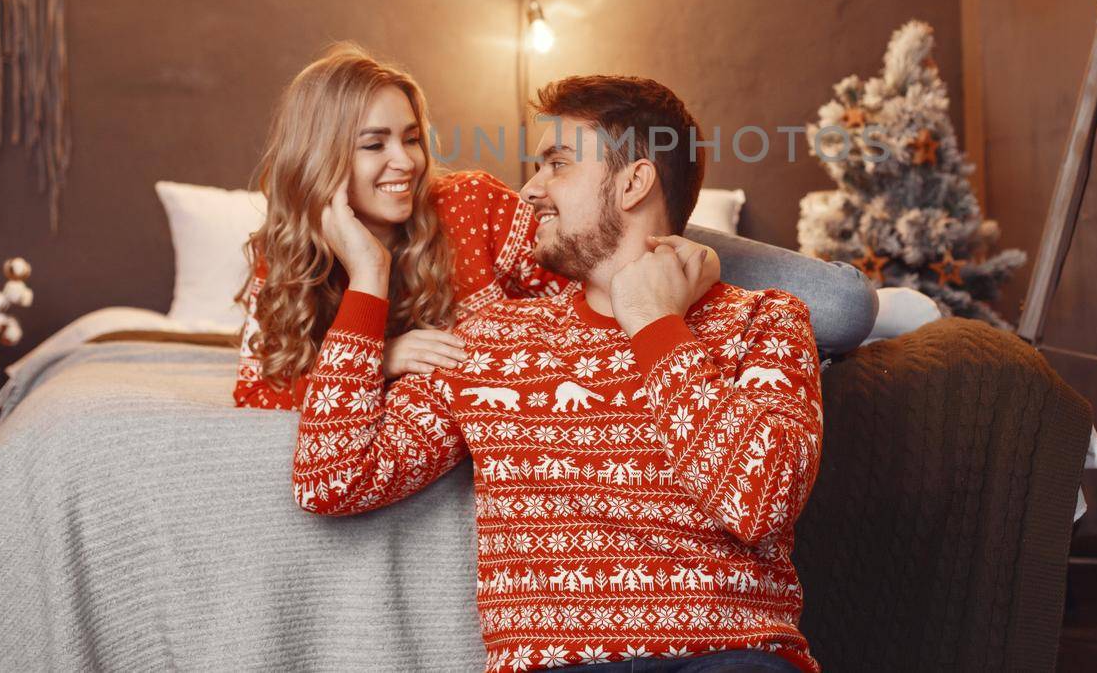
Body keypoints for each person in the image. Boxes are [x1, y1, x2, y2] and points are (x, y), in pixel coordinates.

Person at [293, 75, 823, 673]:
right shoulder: (491, 338)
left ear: (633, 182)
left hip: (728, 658)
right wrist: (368, 278)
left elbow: (760, 503)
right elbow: (330, 480)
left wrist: (653, 323)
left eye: (557, 165)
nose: (530, 189)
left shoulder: (765, 321)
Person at [233, 42, 617, 410]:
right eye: (374, 145)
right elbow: (256, 394)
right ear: (317, 159)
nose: (406, 161)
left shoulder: (473, 205)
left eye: (412, 139)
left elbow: (592, 304)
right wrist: (379, 358)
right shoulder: (285, 248)